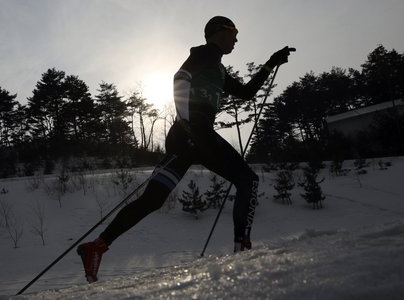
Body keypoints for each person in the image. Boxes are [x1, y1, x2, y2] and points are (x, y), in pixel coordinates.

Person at [77, 16, 294, 283]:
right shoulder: (206, 54)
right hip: (194, 133)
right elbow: (179, 78)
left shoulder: (219, 69)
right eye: (233, 32)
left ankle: (95, 247)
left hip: (187, 137)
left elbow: (247, 93)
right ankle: (243, 252)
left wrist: (270, 64)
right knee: (247, 179)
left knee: (153, 200)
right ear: (218, 32)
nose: (237, 38)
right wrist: (189, 124)